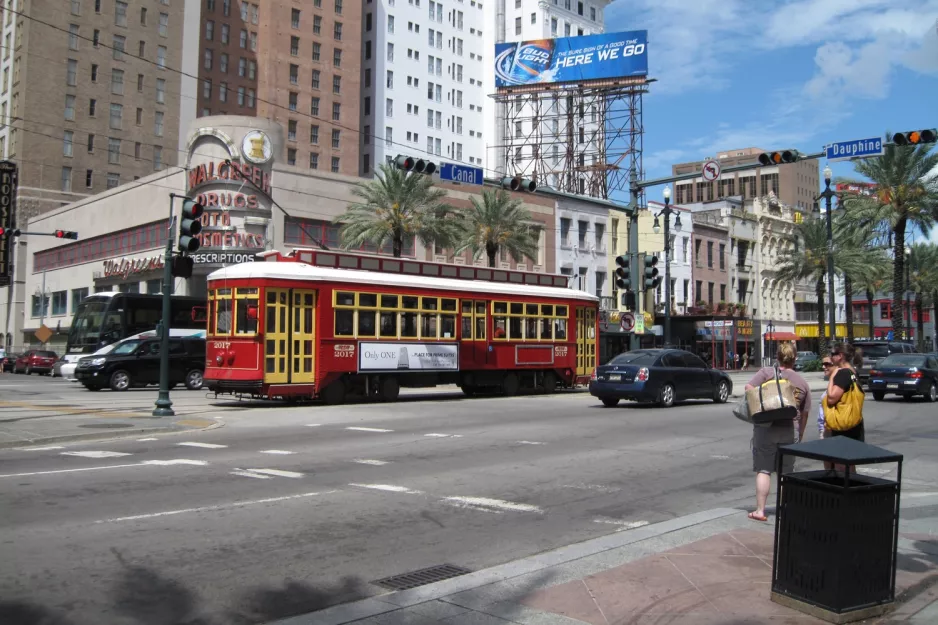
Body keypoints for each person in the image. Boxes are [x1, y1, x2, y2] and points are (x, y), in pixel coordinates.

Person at [744, 342, 811, 522]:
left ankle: (760, 510)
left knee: (764, 469)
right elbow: (804, 413)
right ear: (795, 358)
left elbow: (748, 389)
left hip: (766, 427)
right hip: (790, 429)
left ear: (778, 357)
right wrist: (801, 433)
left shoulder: (766, 373)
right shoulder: (802, 382)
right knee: (787, 472)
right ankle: (785, 509)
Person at [824, 342, 865, 442]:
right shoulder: (853, 372)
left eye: (833, 354)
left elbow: (831, 398)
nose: (831, 357)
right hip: (855, 425)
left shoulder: (843, 373)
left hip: (843, 429)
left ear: (840, 356)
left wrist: (832, 377)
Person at [817, 355, 835, 439]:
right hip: (824, 429)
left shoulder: (837, 385)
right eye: (823, 364)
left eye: (827, 364)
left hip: (830, 429)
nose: (823, 366)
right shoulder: (831, 383)